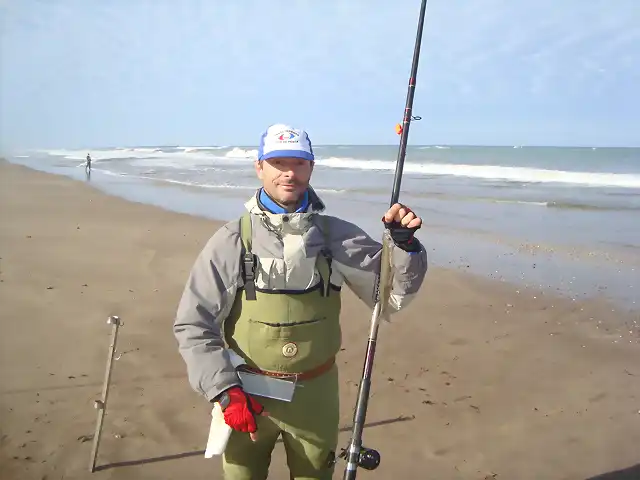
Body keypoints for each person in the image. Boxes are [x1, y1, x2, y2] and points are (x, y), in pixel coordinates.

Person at [173, 124, 428, 479]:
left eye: (299, 163)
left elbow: (391, 297)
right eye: (278, 162)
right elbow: (193, 324)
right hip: (245, 398)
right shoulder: (231, 240)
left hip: (316, 398)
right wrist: (223, 390)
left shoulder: (338, 236)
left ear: (311, 168)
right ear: (259, 167)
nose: (289, 173)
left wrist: (405, 248)